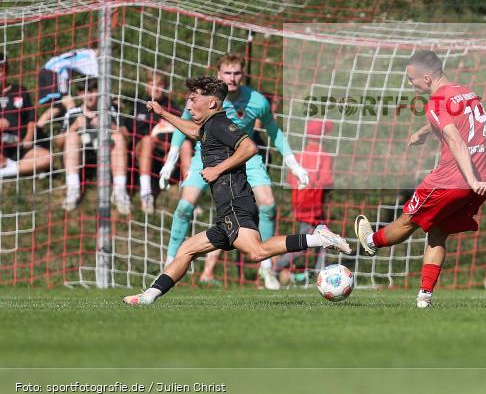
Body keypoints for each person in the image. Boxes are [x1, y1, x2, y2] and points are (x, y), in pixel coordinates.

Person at [123, 77, 351, 306]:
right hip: (228, 210)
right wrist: (162, 113)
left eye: (193, 100)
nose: (188, 105)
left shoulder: (221, 125)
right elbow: (193, 131)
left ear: (212, 103)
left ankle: (318, 238)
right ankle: (149, 296)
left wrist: (217, 169)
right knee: (187, 249)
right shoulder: (210, 126)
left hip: (235, 203)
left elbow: (249, 147)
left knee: (257, 252)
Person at [355, 51, 486, 308]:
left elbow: (454, 139)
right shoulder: (466, 93)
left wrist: (470, 179)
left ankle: (370, 242)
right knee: (438, 231)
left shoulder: (436, 102)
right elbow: (448, 124)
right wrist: (422, 132)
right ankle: (424, 297)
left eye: (411, 79)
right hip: (481, 178)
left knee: (408, 219)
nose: (410, 84)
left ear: (427, 78)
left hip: (453, 179)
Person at [159, 53, 309, 290]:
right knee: (185, 206)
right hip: (207, 154)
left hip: (243, 156)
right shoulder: (209, 99)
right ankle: (169, 263)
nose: (232, 78)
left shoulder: (257, 101)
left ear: (243, 74)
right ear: (219, 75)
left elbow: (274, 132)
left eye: (237, 73)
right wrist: (171, 160)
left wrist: (294, 164)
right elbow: (183, 124)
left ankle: (266, 270)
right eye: (227, 73)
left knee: (268, 204)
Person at [121, 70, 191, 214]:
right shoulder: (139, 106)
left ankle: (189, 197)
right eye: (152, 85)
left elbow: (183, 132)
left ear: (165, 87)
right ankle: (146, 194)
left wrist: (166, 144)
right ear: (146, 86)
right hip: (142, 151)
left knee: (186, 144)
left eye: (160, 85)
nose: (156, 89)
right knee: (147, 140)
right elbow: (130, 133)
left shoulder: (173, 109)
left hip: (166, 154)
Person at [276, 118, 334, 285]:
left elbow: (291, 179)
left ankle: (321, 274)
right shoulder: (323, 156)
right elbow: (327, 179)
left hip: (300, 203)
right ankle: (275, 268)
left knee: (324, 239)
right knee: (303, 245)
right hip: (313, 206)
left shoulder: (299, 156)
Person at [61, 76, 131, 213]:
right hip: (82, 155)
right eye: (85, 92)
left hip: (107, 151)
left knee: (118, 137)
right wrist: (74, 126)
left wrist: (108, 125)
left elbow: (127, 137)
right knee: (72, 137)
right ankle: (73, 189)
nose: (89, 96)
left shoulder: (110, 110)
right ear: (80, 94)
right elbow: (58, 142)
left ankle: (119, 191)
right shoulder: (72, 113)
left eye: (93, 91)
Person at [0, 53, 52, 179]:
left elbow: (31, 119)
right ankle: (21, 167)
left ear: (6, 69)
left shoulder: (20, 91)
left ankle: (7, 170)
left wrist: (28, 138)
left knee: (47, 158)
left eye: (1, 68)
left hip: (20, 146)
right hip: (2, 145)